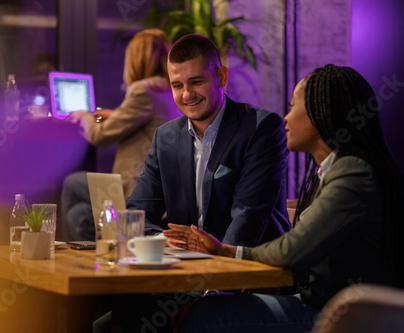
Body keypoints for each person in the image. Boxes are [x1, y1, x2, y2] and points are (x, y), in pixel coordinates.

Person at [164, 64, 404, 332]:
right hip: (323, 303)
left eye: (293, 107)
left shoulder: (353, 173)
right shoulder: (331, 172)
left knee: (206, 315)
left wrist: (225, 250)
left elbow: (293, 250)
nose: (286, 118)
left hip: (350, 315)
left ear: (319, 112)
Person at [127, 34, 291, 247]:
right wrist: (167, 242)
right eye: (177, 85)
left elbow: (248, 218)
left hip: (248, 270)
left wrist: (215, 256)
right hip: (183, 267)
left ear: (222, 77)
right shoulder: (165, 137)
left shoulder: (262, 128)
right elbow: (136, 215)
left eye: (196, 82)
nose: (186, 95)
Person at [60, 29, 180, 241]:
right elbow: (152, 119)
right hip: (165, 191)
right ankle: (94, 256)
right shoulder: (168, 88)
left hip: (134, 187)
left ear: (135, 59)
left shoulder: (142, 90)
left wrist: (84, 115)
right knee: (79, 215)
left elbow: (99, 136)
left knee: (71, 182)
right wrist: (115, 114)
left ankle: (83, 256)